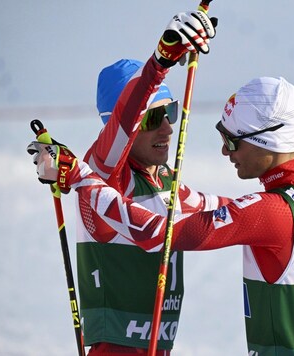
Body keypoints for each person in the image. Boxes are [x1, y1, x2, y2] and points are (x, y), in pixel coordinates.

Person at [29, 76, 294, 355]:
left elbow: (163, 234)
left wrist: (78, 176)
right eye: (153, 116)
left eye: (232, 140)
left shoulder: (265, 210)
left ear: (267, 141)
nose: (225, 151)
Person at [67, 9, 224, 356]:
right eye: (154, 117)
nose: (168, 128)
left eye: (169, 113)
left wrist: (284, 205)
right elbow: (124, 120)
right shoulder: (105, 175)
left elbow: (224, 211)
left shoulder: (164, 180)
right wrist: (159, 63)